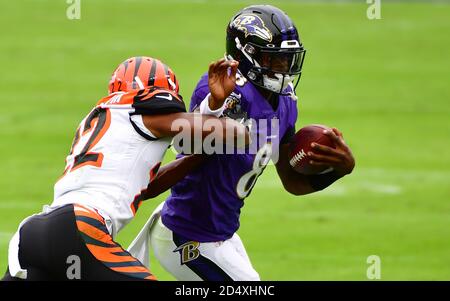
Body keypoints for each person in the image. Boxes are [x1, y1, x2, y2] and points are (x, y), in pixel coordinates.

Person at [128, 5, 355, 281]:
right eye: (275, 60)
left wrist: (338, 170)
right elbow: (185, 145)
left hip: (220, 232)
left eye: (287, 60)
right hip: (187, 234)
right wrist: (214, 107)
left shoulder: (284, 100)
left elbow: (292, 181)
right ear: (246, 55)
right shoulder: (225, 91)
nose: (284, 69)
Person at [2, 56, 246, 281]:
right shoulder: (143, 113)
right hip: (78, 229)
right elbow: (223, 131)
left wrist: (195, 157)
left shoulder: (103, 118)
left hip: (32, 236)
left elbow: (144, 188)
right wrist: (249, 129)